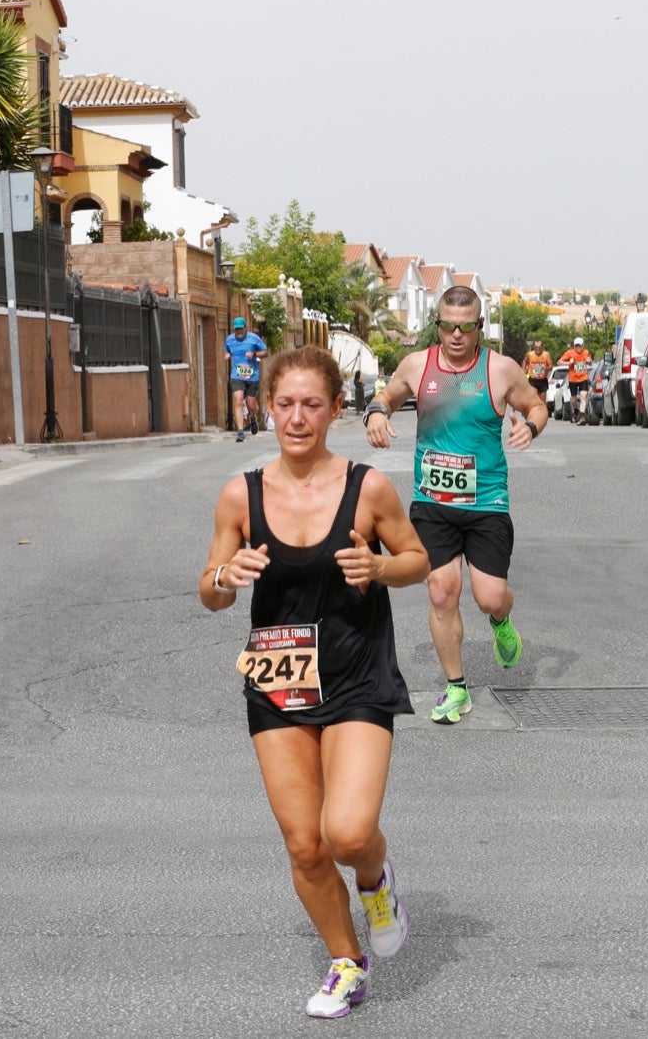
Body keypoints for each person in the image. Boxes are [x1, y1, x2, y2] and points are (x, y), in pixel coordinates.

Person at [200, 346, 430, 1017]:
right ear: (267, 407)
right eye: (285, 404)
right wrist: (226, 577)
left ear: (334, 410)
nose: (297, 418)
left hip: (357, 672)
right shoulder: (240, 494)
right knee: (305, 843)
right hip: (278, 681)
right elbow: (209, 589)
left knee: (349, 833)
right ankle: (346, 962)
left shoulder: (369, 489)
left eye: (311, 405)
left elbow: (416, 557)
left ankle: (375, 881)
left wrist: (381, 571)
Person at [364, 285, 547, 724]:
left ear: (479, 327)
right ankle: (456, 688)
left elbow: (536, 405)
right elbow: (386, 395)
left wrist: (531, 428)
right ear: (438, 326)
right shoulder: (417, 364)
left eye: (466, 327)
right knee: (442, 592)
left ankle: (501, 621)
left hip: (486, 502)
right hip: (432, 501)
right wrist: (376, 412)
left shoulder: (500, 370)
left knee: (489, 597)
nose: (456, 335)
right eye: (448, 326)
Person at [225, 316, 268, 442]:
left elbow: (265, 352)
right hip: (236, 375)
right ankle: (240, 431)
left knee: (251, 404)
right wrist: (227, 355)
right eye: (236, 329)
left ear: (245, 328)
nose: (238, 332)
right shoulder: (229, 340)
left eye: (240, 329)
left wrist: (254, 354)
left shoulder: (253, 338)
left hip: (252, 375)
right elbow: (227, 351)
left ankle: (253, 417)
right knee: (238, 401)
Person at [560, 335, 594, 425]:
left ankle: (582, 416)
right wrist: (568, 363)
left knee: (583, 396)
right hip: (573, 379)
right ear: (574, 346)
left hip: (583, 377)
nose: (578, 348)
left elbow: (591, 362)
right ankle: (576, 410)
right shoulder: (570, 353)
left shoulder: (586, 352)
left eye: (580, 346)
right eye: (576, 346)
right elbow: (559, 362)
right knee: (574, 399)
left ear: (583, 345)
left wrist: (589, 360)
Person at [524, 339, 554, 406]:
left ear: (542, 347)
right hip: (533, 379)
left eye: (539, 347)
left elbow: (551, 366)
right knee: (533, 398)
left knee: (542, 402)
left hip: (543, 380)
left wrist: (546, 368)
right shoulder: (530, 354)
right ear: (534, 347)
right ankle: (532, 412)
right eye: (536, 347)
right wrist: (524, 371)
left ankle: (541, 413)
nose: (538, 349)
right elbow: (525, 361)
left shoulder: (546, 354)